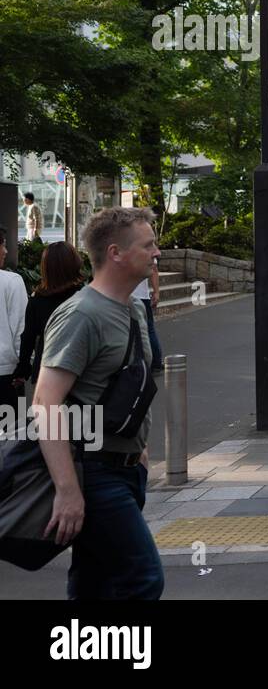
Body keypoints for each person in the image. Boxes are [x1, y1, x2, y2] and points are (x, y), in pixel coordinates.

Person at [34, 207, 165, 599]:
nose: (157, 253)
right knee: (142, 577)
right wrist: (68, 489)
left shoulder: (134, 310)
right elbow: (44, 404)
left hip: (125, 470)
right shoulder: (81, 314)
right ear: (115, 253)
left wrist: (138, 451)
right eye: (149, 245)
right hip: (94, 473)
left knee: (95, 582)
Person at [15, 242, 84, 394]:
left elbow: (28, 338)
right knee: (85, 417)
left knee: (49, 417)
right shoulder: (84, 297)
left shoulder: (37, 300)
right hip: (81, 373)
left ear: (45, 268)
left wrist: (22, 370)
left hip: (46, 372)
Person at [0, 227, 26, 427]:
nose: (6, 251)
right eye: (3, 245)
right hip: (5, 373)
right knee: (7, 440)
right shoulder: (11, 282)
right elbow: (20, 330)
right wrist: (21, 369)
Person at [130, 259, 164, 376]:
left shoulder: (122, 244)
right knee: (149, 329)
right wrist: (156, 292)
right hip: (142, 296)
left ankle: (148, 362)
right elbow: (154, 269)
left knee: (133, 330)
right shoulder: (145, 246)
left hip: (129, 295)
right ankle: (156, 362)